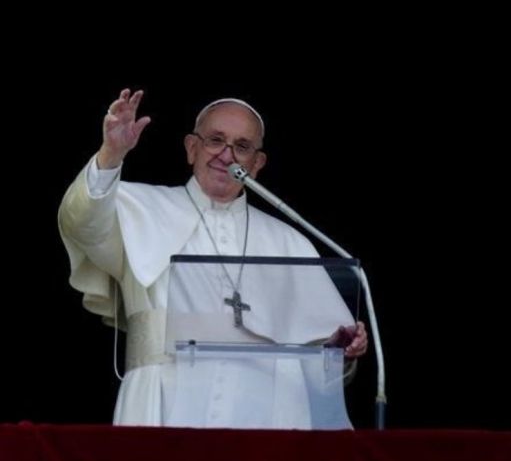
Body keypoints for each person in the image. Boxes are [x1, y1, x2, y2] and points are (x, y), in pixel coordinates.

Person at [58, 89, 367, 428]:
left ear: (257, 163)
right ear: (192, 148)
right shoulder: (137, 208)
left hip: (270, 413)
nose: (226, 155)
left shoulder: (289, 241)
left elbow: (323, 366)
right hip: (164, 402)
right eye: (215, 140)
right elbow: (82, 221)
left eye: (242, 146)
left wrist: (335, 349)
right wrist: (111, 154)